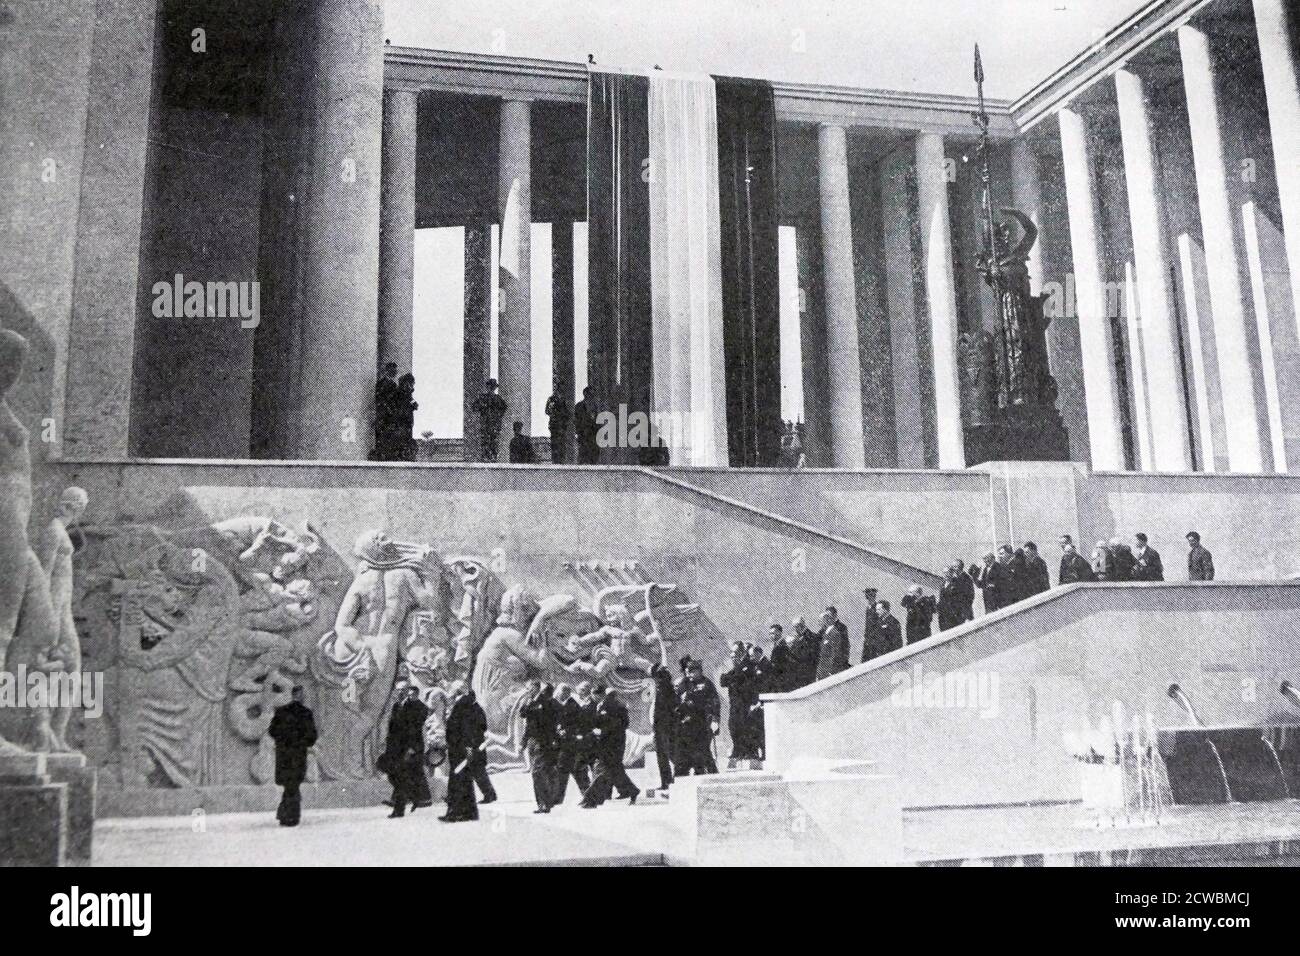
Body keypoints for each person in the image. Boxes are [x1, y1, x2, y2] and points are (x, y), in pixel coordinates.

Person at [580, 686, 640, 807]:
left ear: (600, 694)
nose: (592, 698)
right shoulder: (601, 705)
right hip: (607, 743)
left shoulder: (613, 706)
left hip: (613, 745)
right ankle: (631, 791)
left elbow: (619, 724)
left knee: (602, 770)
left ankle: (590, 799)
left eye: (593, 695)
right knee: (616, 771)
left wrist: (601, 731)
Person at [268, 686, 317, 827]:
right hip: (298, 754)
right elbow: (312, 737)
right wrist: (302, 742)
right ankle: (291, 816)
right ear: (300, 696)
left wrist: (283, 741)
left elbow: (272, 731)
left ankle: (286, 815)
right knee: (293, 785)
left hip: (283, 755)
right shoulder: (306, 713)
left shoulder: (281, 712)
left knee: (289, 786)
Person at [380, 686, 431, 818]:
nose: (401, 693)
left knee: (405, 775)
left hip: (410, 747)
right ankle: (414, 799)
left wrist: (411, 748)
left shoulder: (420, 708)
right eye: (399, 691)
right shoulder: (398, 706)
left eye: (404, 691)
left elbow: (414, 730)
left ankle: (403, 804)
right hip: (396, 746)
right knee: (403, 774)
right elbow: (394, 726)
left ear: (416, 694)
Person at [441, 683, 489, 822]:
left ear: (457, 692)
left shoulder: (462, 704)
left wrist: (467, 746)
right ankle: (469, 813)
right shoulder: (468, 704)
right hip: (462, 748)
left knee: (457, 781)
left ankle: (455, 813)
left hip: (459, 750)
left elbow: (466, 728)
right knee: (465, 781)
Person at [674, 660, 720, 775]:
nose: (690, 675)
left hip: (703, 723)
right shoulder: (685, 683)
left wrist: (715, 720)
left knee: (703, 750)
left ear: (699, 671)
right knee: (687, 751)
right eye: (688, 672)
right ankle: (683, 775)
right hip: (687, 724)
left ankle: (711, 773)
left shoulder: (707, 683)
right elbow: (676, 702)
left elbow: (715, 703)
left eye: (692, 672)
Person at [520, 680, 560, 813]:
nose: (528, 690)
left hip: (543, 741)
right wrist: (523, 743)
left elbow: (547, 721)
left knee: (538, 772)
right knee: (539, 772)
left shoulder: (545, 701)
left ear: (536, 688)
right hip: (532, 740)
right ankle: (544, 802)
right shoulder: (530, 701)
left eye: (530, 687)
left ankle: (544, 803)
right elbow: (524, 716)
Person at [553, 682, 592, 805]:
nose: (558, 694)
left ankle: (589, 797)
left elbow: (581, 725)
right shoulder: (560, 705)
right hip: (564, 745)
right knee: (562, 772)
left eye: (560, 692)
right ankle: (558, 798)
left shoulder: (573, 706)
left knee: (578, 772)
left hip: (573, 744)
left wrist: (567, 732)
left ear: (565, 693)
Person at [648, 665, 677, 794]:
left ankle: (674, 780)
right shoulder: (661, 688)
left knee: (669, 754)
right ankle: (666, 782)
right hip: (660, 727)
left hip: (667, 727)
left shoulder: (666, 689)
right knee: (662, 755)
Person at [746, 643, 772, 760]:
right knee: (757, 730)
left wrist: (760, 703)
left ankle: (766, 754)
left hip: (762, 704)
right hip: (757, 702)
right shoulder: (757, 665)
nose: (750, 659)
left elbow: (767, 686)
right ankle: (762, 753)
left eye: (752, 656)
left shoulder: (766, 665)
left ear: (757, 654)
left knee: (762, 731)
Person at [473, 378, 508, 462]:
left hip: (488, 425)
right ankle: (491, 458)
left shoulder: (484, 398)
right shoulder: (496, 398)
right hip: (492, 425)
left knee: (488, 443)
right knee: (491, 443)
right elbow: (504, 408)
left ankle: (489, 458)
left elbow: (474, 407)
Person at [814, 607, 850, 681]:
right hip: (823, 671)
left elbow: (836, 652)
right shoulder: (824, 633)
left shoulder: (836, 631)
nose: (820, 622)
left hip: (831, 671)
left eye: (822, 620)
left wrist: (832, 670)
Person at [790, 616, 820, 688]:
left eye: (795, 627)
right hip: (801, 673)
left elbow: (809, 655)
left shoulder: (811, 637)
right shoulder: (798, 638)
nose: (795, 630)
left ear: (800, 626)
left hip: (808, 673)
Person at [937, 564, 968, 631]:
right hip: (943, 616)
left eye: (947, 573)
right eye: (944, 573)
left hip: (953, 616)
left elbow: (961, 600)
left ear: (951, 573)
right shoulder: (942, 585)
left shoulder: (957, 583)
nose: (945, 575)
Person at [545, 384, 570, 464]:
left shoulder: (562, 400)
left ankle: (561, 461)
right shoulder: (551, 399)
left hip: (561, 426)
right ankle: (555, 461)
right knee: (555, 445)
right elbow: (547, 411)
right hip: (555, 426)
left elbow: (567, 414)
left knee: (562, 445)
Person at [574, 386, 600, 464]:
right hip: (583, 434)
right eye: (590, 394)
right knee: (583, 453)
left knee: (594, 454)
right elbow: (576, 420)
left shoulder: (595, 406)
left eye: (592, 395)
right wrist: (579, 431)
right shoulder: (579, 406)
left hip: (593, 434)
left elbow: (598, 420)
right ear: (585, 394)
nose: (591, 397)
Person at [768, 623, 793, 692]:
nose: (771, 636)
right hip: (776, 679)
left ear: (779, 633)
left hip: (781, 679)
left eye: (773, 633)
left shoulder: (783, 646)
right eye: (770, 633)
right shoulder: (776, 645)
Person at [861, 590, 884, 661]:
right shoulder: (868, 608)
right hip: (868, 638)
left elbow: (879, 624)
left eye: (871, 596)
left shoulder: (877, 608)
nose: (869, 598)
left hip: (875, 638)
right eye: (868, 596)